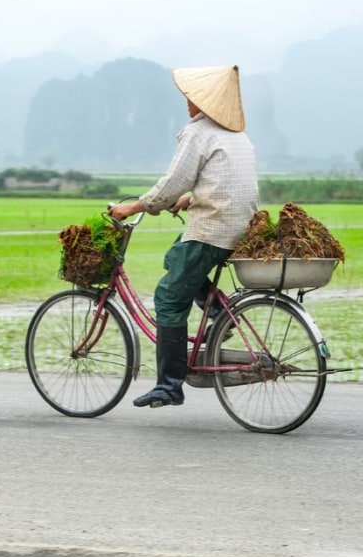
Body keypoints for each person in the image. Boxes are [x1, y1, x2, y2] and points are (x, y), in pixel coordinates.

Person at [109, 65, 259, 408]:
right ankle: (219, 311)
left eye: (191, 97)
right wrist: (191, 198)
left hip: (213, 229)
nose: (187, 102)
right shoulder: (238, 136)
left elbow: (172, 182)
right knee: (177, 256)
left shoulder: (199, 133)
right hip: (240, 227)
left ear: (205, 102)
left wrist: (134, 207)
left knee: (168, 298)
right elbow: (227, 182)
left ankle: (169, 385)